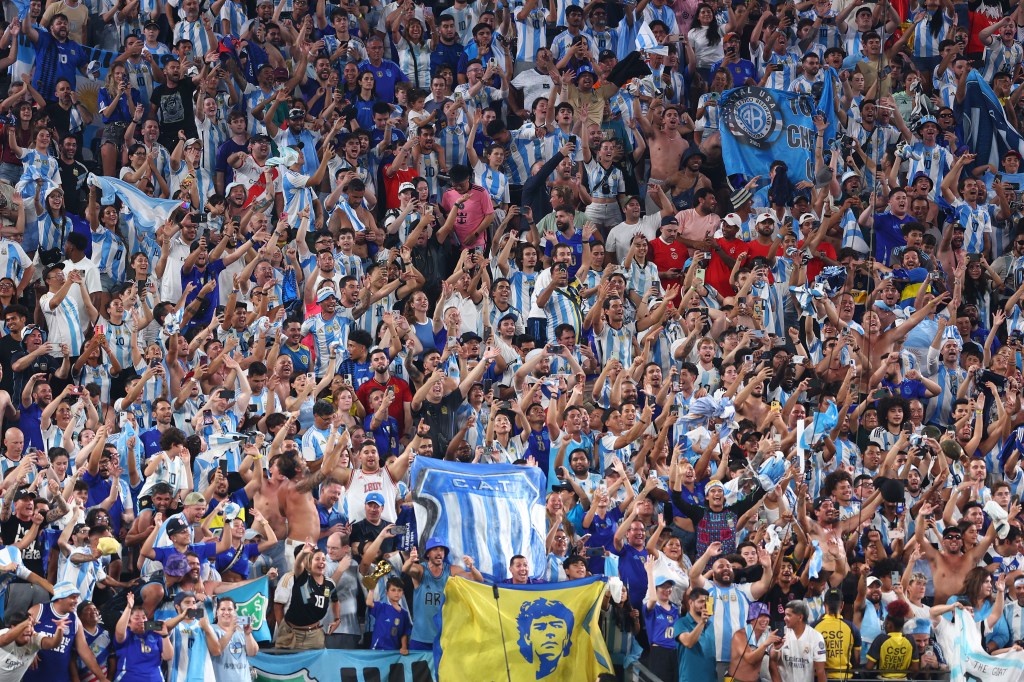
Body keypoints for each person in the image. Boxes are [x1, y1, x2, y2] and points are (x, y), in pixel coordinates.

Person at [770, 600, 827, 682]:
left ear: (800, 617)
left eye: (788, 615)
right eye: (785, 615)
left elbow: (820, 671)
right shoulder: (781, 634)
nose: (785, 618)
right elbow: (772, 663)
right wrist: (775, 649)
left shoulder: (816, 637)